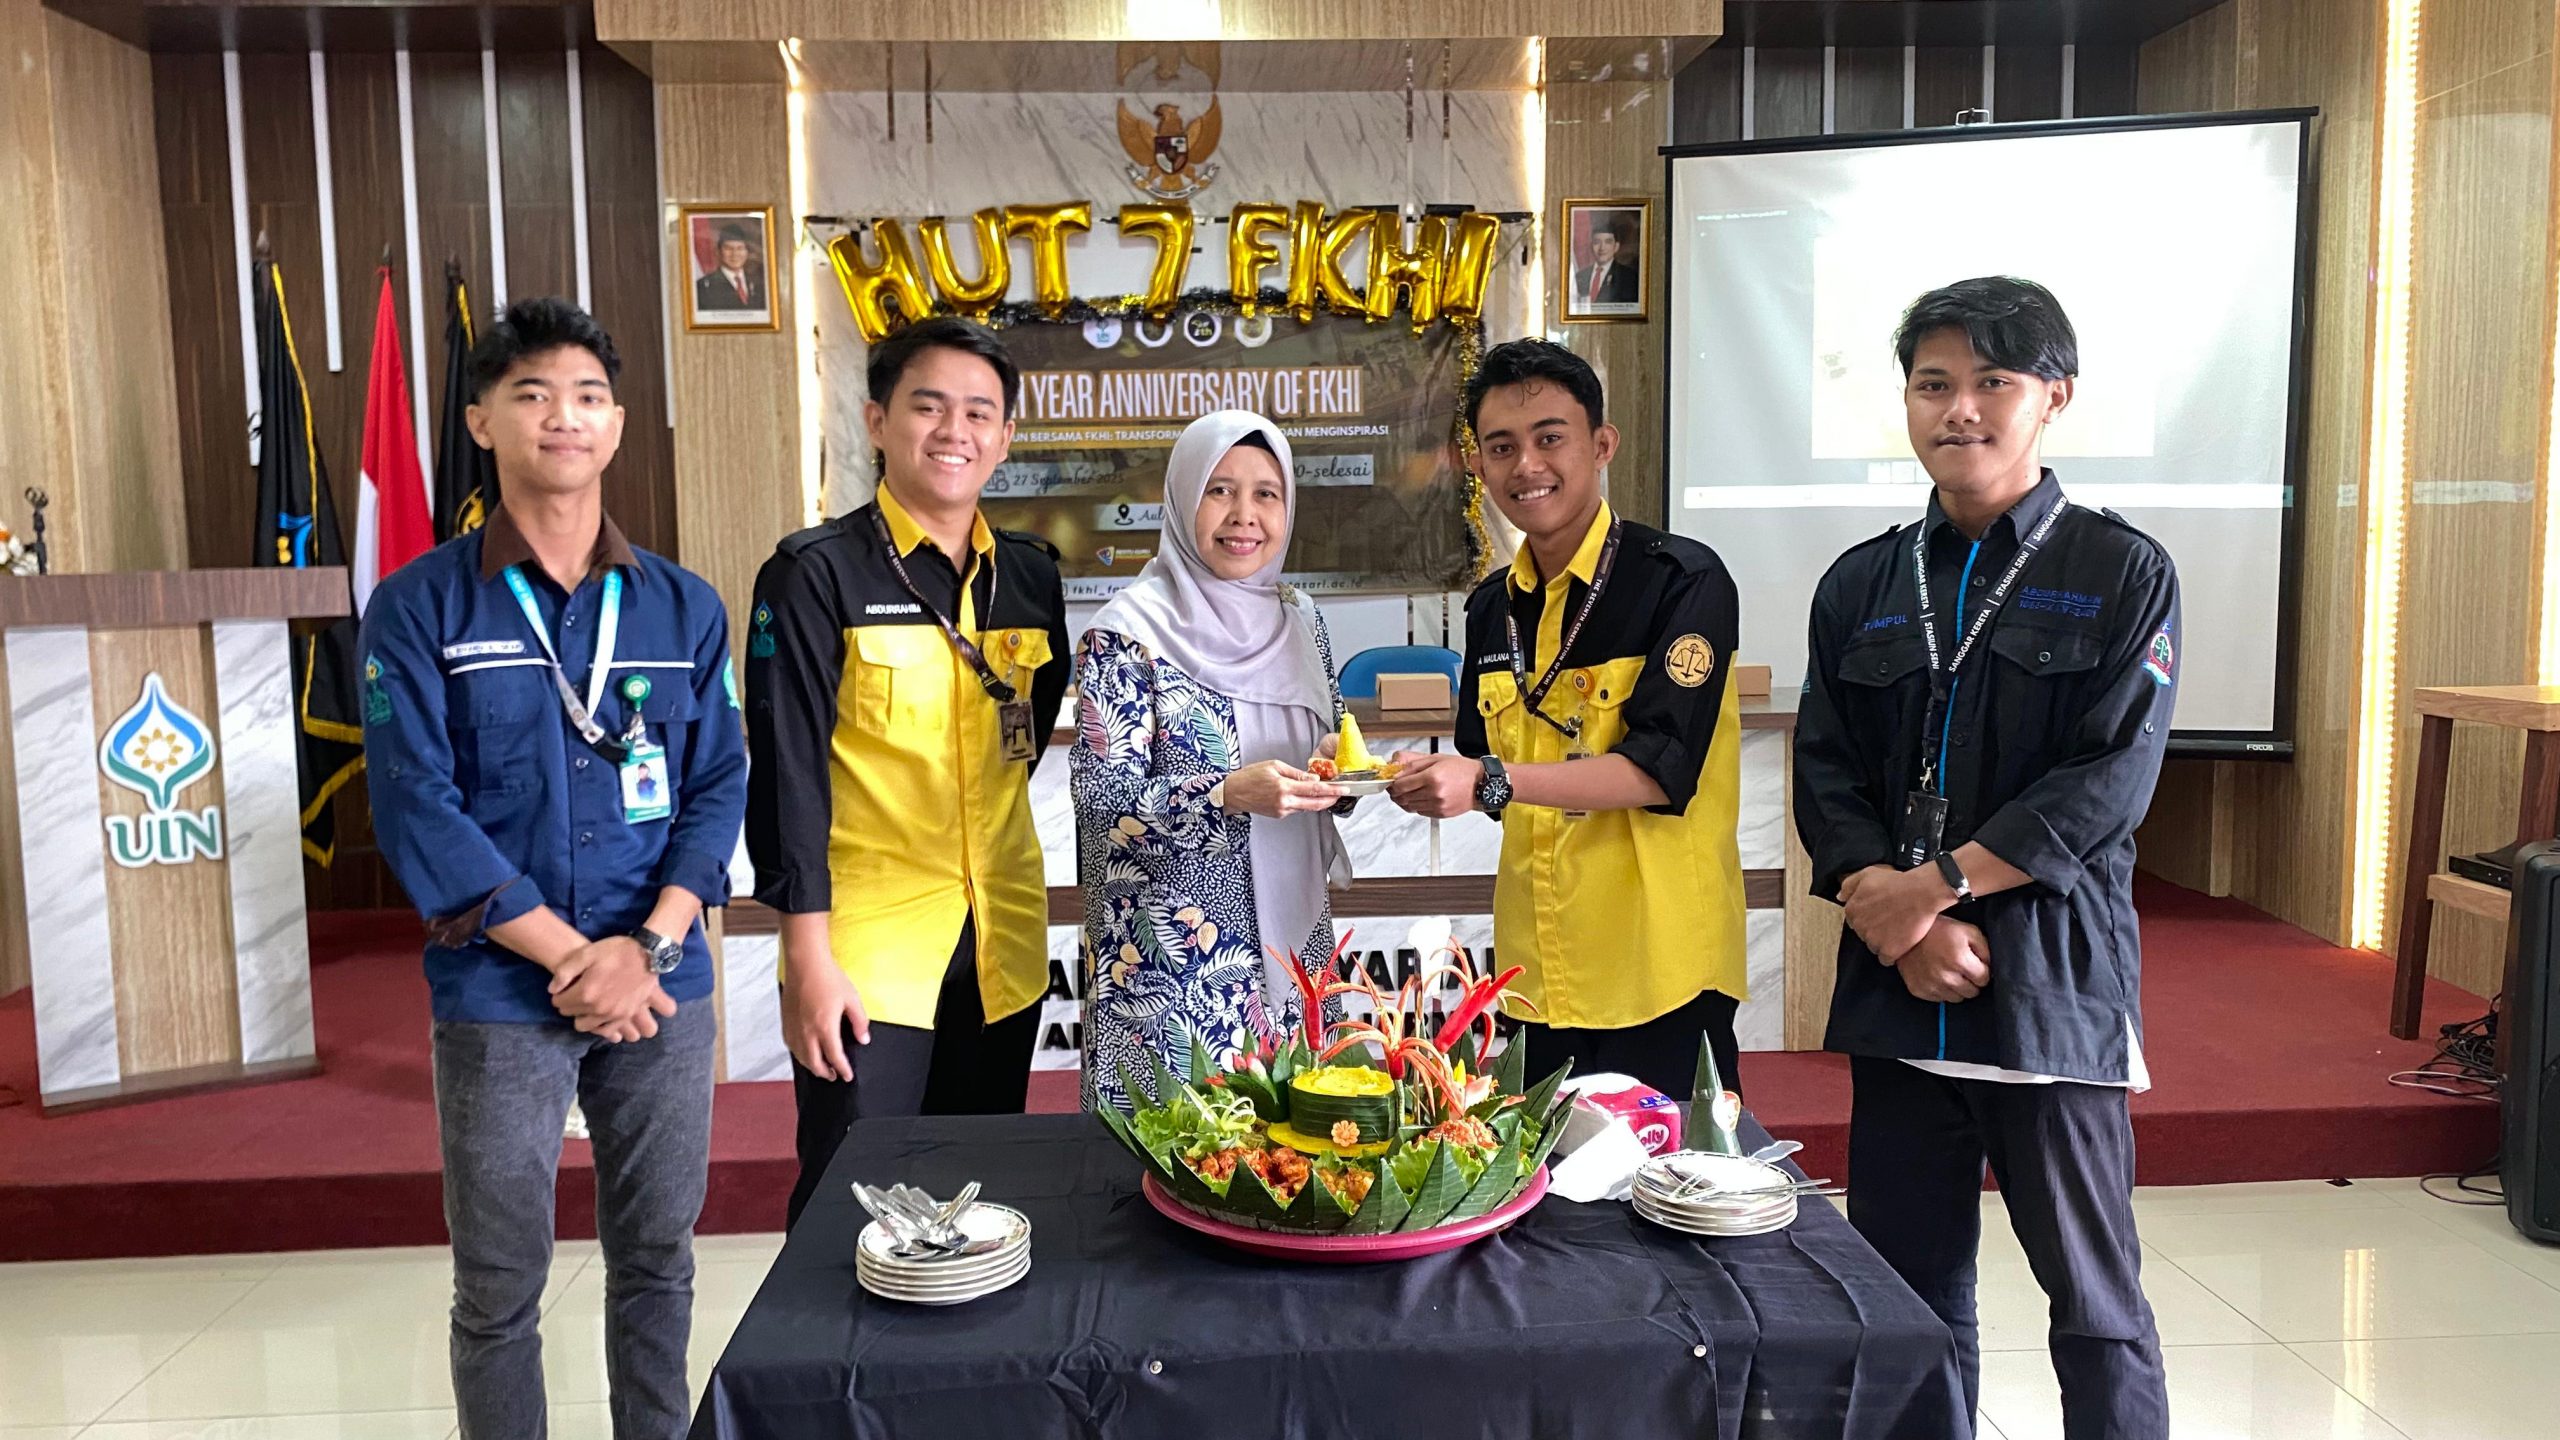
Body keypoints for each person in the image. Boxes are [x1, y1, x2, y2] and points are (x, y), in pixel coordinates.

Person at [1794, 276, 2178, 1439]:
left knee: (2095, 1307)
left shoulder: (2120, 571)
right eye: (1932, 383)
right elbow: (1825, 770)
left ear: (2054, 396)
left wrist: (1935, 888)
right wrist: (1892, 914)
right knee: (1906, 1304)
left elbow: (2107, 780)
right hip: (1897, 998)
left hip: (2047, 993)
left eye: (1991, 381)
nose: (1958, 408)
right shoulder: (1860, 581)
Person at [361, 297, 747, 1440]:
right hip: (499, 990)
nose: (562, 417)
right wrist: (582, 959)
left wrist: (650, 948)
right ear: (481, 420)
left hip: (660, 986)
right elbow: (416, 806)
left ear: (616, 425)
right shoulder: (419, 606)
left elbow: (717, 786)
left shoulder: (683, 607)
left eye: (586, 397)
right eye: (531, 394)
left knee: (659, 1260)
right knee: (497, 1290)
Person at [744, 316, 1070, 1227]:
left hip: (1001, 940)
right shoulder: (815, 575)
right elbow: (787, 777)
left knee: (980, 1201)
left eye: (979, 412)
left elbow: (1027, 734)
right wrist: (807, 956)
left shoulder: (1030, 578)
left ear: (1006, 436)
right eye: (928, 406)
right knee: (856, 1207)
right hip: (868, 953)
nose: (954, 431)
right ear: (876, 421)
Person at [1387, 339, 1746, 1101]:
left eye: (1550, 438)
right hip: (1537, 971)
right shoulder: (1491, 608)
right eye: (1501, 447)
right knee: (1540, 1174)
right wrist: (1397, 776)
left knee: (1670, 1171)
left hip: (1660, 968)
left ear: (1601, 445)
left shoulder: (1682, 580)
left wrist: (1490, 780)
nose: (1527, 466)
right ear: (1477, 464)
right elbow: (1489, 773)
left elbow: (1658, 772)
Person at [1071, 410, 1351, 1111]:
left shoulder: (1302, 620)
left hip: (1296, 963)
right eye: (1219, 490)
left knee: (1300, 1154)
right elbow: (1101, 804)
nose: (1244, 515)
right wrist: (1225, 793)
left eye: (1266, 494)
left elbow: (1334, 752)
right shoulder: (1127, 634)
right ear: (1182, 498)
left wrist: (1336, 772)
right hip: (1176, 974)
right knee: (1173, 1163)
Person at [694, 224, 764, 313]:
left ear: (747, 252)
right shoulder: (703, 287)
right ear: (718, 251)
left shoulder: (759, 283)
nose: (734, 254)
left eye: (740, 248)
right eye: (728, 248)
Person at [1572, 217, 1639, 309]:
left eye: (1608, 242)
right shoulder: (1580, 276)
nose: (1602, 248)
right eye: (1597, 242)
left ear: (1616, 247)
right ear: (1591, 246)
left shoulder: (1629, 277)